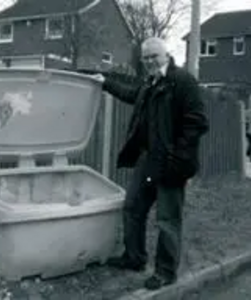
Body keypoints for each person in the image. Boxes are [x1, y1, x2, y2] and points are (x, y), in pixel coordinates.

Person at [94, 37, 208, 290]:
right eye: (145, 58)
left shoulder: (183, 81)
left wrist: (177, 157)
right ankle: (134, 257)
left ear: (166, 54)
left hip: (171, 162)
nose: (149, 62)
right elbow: (131, 93)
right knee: (133, 206)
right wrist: (106, 84)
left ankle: (166, 272)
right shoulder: (150, 82)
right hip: (148, 159)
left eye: (153, 56)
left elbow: (197, 123)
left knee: (167, 219)